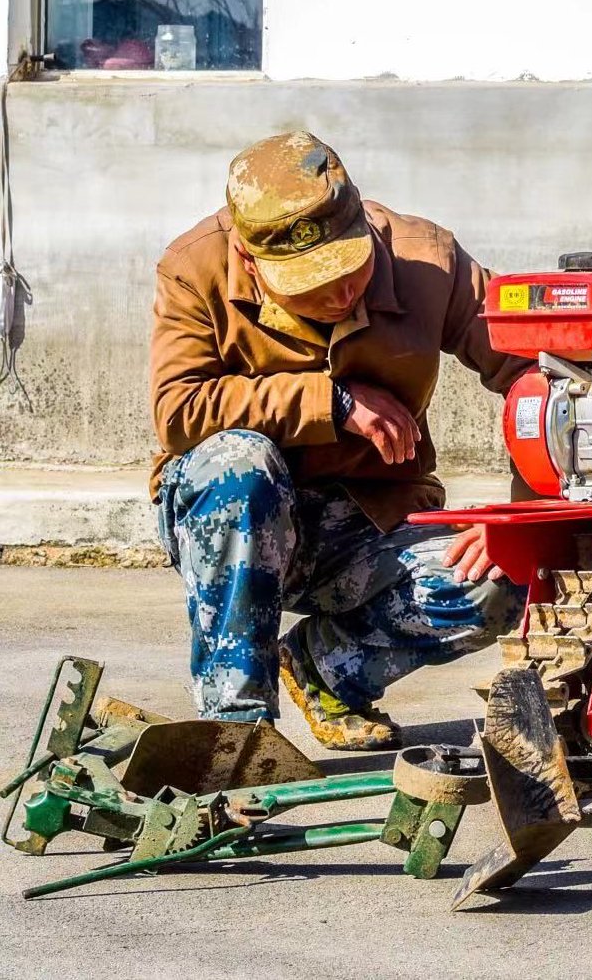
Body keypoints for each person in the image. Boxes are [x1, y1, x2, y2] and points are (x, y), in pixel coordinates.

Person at [150, 132, 527, 749]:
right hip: (236, 515)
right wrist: (335, 404)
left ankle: (326, 667)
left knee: (501, 578)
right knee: (239, 462)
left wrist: (523, 516)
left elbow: (536, 373)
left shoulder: (427, 259)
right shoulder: (194, 268)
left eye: (350, 268)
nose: (341, 293)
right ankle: (237, 732)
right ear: (250, 262)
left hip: (369, 517)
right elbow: (179, 409)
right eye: (312, 284)